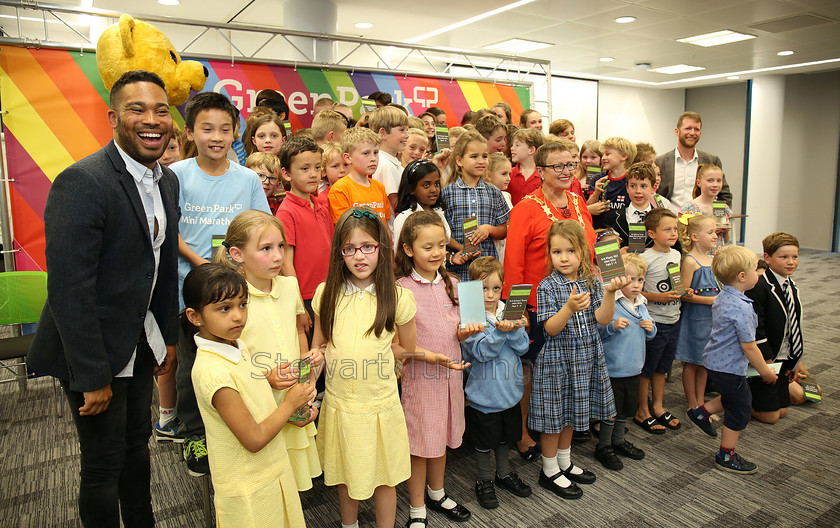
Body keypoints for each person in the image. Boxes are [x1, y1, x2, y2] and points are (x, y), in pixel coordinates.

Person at [28, 70, 180, 527]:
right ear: (113, 118)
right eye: (137, 109)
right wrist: (92, 376)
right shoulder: (83, 181)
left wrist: (167, 339)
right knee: (102, 464)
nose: (152, 119)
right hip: (90, 349)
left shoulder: (167, 181)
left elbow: (164, 266)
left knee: (137, 448)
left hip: (138, 339)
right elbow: (69, 291)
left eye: (160, 109)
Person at [171, 91, 271, 476]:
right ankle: (194, 432)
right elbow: (170, 228)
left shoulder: (246, 178)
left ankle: (242, 423)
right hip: (190, 288)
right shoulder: (177, 175)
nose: (216, 136)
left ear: (235, 133)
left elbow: (260, 227)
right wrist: (201, 266)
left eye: (225, 129)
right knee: (192, 364)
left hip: (236, 291)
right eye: (207, 128)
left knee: (239, 360)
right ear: (190, 132)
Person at [311, 206, 422, 528]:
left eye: (367, 247)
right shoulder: (325, 294)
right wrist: (304, 384)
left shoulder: (398, 297)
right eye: (349, 249)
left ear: (381, 249)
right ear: (339, 253)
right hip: (341, 405)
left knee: (385, 477)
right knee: (346, 473)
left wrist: (382, 353)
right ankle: (350, 524)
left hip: (380, 404)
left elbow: (408, 348)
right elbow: (318, 348)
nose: (359, 256)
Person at [184, 264, 315, 526]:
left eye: (242, 304)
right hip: (249, 490)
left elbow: (246, 398)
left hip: (270, 472)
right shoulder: (213, 374)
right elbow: (253, 438)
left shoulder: (234, 345)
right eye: (224, 308)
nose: (238, 316)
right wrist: (289, 405)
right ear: (195, 316)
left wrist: (267, 379)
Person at [213, 211, 323, 490]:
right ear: (237, 254)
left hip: (292, 396)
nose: (278, 257)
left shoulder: (289, 285)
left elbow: (299, 330)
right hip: (257, 404)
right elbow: (230, 359)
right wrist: (266, 377)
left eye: (280, 247)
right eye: (266, 249)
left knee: (292, 481)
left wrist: (306, 377)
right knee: (265, 480)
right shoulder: (233, 302)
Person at [503, 141, 596, 461]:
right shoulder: (526, 208)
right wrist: (515, 312)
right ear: (539, 172)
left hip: (577, 299)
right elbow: (513, 265)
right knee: (532, 372)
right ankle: (525, 431)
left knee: (568, 370)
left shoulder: (577, 199)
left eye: (571, 165)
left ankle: (558, 434)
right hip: (536, 304)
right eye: (558, 166)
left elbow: (590, 248)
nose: (567, 171)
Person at [531, 220, 627, 499]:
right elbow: (549, 329)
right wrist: (569, 308)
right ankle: (549, 470)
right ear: (549, 255)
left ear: (583, 252)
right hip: (557, 361)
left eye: (570, 251)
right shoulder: (547, 286)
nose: (563, 257)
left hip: (586, 356)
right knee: (554, 418)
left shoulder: (592, 281)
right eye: (556, 252)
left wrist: (609, 293)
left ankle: (564, 461)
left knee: (573, 412)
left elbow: (603, 319)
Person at [394, 211, 474, 527]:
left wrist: (468, 331)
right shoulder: (401, 289)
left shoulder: (454, 283)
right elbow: (396, 344)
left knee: (441, 436)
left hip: (451, 375)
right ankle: (416, 508)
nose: (437, 252)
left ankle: (436, 492)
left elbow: (457, 331)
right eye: (428, 247)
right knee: (420, 443)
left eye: (441, 245)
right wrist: (427, 356)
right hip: (420, 379)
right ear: (409, 249)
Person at [686, 245, 777, 473]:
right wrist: (765, 371)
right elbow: (749, 347)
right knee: (740, 408)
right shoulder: (741, 308)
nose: (760, 273)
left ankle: (700, 412)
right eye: (757, 269)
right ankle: (726, 455)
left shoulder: (724, 295)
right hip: (729, 367)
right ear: (742, 276)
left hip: (716, 361)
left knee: (733, 397)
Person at [462, 256, 532, 509]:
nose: (489, 295)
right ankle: (484, 480)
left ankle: (503, 474)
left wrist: (513, 329)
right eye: (482, 288)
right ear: (471, 288)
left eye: (495, 288)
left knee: (505, 438)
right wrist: (501, 333)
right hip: (484, 396)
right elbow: (481, 353)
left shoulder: (508, 310)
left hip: (510, 393)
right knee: (483, 442)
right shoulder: (470, 319)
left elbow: (523, 347)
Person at [596, 253, 656, 469]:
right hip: (613, 370)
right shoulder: (613, 303)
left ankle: (618, 440)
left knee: (625, 411)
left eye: (640, 280)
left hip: (634, 368)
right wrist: (612, 326)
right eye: (631, 279)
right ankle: (604, 446)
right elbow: (599, 332)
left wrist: (651, 329)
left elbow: (650, 330)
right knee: (610, 411)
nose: (636, 285)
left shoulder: (641, 305)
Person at [275, 137, 334, 335]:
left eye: (317, 168)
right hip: (305, 297)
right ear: (286, 173)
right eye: (305, 169)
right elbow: (286, 263)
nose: (313, 174)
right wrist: (298, 306)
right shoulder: (286, 212)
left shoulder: (321, 207)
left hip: (327, 292)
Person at [745, 232, 803, 424]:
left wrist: (794, 361)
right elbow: (758, 329)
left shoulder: (790, 285)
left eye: (794, 257)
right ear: (767, 258)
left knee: (783, 411)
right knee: (770, 417)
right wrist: (767, 363)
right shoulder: (759, 287)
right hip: (766, 358)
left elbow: (793, 325)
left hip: (784, 357)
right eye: (784, 257)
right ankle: (740, 402)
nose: (791, 262)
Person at [635, 208, 684, 434]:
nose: (673, 233)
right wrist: (659, 297)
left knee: (663, 367)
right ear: (652, 233)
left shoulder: (676, 254)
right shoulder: (645, 258)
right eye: (667, 229)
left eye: (675, 229)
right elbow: (636, 291)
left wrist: (684, 292)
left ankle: (658, 406)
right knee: (648, 368)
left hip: (674, 318)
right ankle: (642, 410)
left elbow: (676, 283)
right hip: (654, 322)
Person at [441, 130, 510, 281]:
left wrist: (489, 229)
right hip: (457, 270)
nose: (481, 161)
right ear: (459, 161)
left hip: (487, 270)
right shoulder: (446, 193)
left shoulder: (494, 192)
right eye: (474, 156)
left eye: (484, 156)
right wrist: (459, 249)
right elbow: (442, 232)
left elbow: (504, 230)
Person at [676, 214, 719, 415]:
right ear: (694, 236)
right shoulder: (690, 261)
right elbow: (684, 294)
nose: (715, 236)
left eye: (716, 232)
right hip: (695, 318)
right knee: (692, 361)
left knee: (705, 362)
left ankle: (701, 403)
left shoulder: (712, 259)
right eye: (710, 232)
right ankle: (692, 403)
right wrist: (711, 300)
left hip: (711, 318)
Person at [655, 111, 732, 208]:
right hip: (670, 220)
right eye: (688, 128)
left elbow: (724, 195)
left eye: (696, 129)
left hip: (702, 220)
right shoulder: (660, 162)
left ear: (700, 132)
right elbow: (654, 194)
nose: (692, 133)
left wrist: (718, 218)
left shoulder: (712, 161)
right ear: (677, 131)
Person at [328, 127, 391, 224]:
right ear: (348, 158)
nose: (373, 158)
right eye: (366, 153)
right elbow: (344, 228)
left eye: (375, 152)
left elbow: (385, 226)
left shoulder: (379, 187)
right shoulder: (340, 189)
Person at [392, 159, 450, 249]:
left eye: (436, 184)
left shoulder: (438, 212)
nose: (434, 190)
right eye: (426, 185)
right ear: (411, 189)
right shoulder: (405, 218)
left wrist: (452, 256)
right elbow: (399, 254)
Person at [597, 162, 657, 247]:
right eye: (633, 186)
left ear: (652, 188)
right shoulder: (610, 219)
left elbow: (674, 249)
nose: (638, 191)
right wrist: (618, 252)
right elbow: (604, 252)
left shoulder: (662, 219)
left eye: (643, 186)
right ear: (627, 188)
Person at [679, 164, 733, 248]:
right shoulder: (689, 209)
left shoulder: (722, 208)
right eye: (710, 180)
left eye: (719, 180)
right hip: (697, 257)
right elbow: (683, 239)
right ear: (698, 183)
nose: (715, 185)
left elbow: (724, 240)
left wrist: (726, 231)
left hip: (717, 257)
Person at [370, 106, 410, 218]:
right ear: (382, 133)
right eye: (402, 130)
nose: (407, 135)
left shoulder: (392, 163)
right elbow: (398, 207)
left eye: (407, 130)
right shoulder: (385, 164)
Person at [587, 137, 637, 213]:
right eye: (602, 155)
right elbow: (587, 208)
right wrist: (596, 193)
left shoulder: (632, 180)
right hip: (599, 223)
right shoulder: (599, 178)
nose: (603, 158)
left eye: (607, 154)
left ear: (623, 156)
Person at [507, 128, 545, 206]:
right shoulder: (508, 174)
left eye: (517, 145)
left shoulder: (544, 175)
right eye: (512, 145)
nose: (512, 148)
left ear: (531, 150)